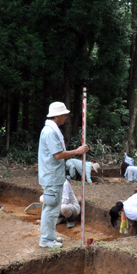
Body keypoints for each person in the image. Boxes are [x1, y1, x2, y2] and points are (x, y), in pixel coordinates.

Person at [38, 101, 88, 248]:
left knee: (52, 208)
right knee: (51, 208)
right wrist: (77, 151)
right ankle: (46, 240)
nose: (66, 117)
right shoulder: (50, 132)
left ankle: (50, 237)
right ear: (58, 115)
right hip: (51, 177)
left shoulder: (51, 130)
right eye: (64, 115)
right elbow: (58, 155)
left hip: (53, 176)